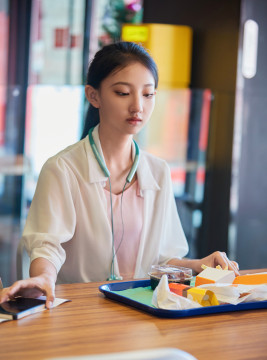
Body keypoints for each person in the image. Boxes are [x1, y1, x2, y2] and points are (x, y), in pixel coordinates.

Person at [0, 41, 239, 309]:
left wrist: (199, 265)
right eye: (123, 93)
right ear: (94, 96)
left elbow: (160, 259)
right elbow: (47, 245)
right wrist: (43, 277)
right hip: (79, 314)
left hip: (143, 313)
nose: (138, 106)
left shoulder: (158, 171)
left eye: (148, 94)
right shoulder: (62, 169)